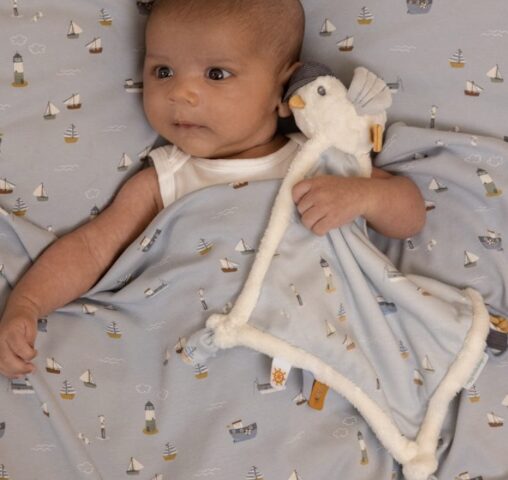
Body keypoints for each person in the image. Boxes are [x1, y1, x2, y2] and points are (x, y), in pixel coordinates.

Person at [0, 0, 426, 379]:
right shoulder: (164, 180)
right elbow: (91, 249)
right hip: (196, 359)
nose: (180, 92)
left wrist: (364, 196)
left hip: (311, 351)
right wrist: (27, 305)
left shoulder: (318, 161)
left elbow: (410, 216)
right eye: (163, 71)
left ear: (282, 90)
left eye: (216, 74)